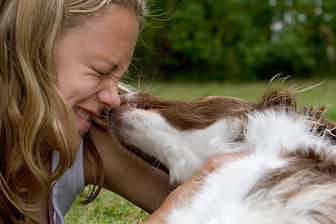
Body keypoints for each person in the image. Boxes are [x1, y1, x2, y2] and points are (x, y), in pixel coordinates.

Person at [0, 0, 239, 223]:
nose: (113, 99)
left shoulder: (90, 141)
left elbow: (218, 207)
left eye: (117, 79)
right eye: (101, 71)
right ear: (33, 48)